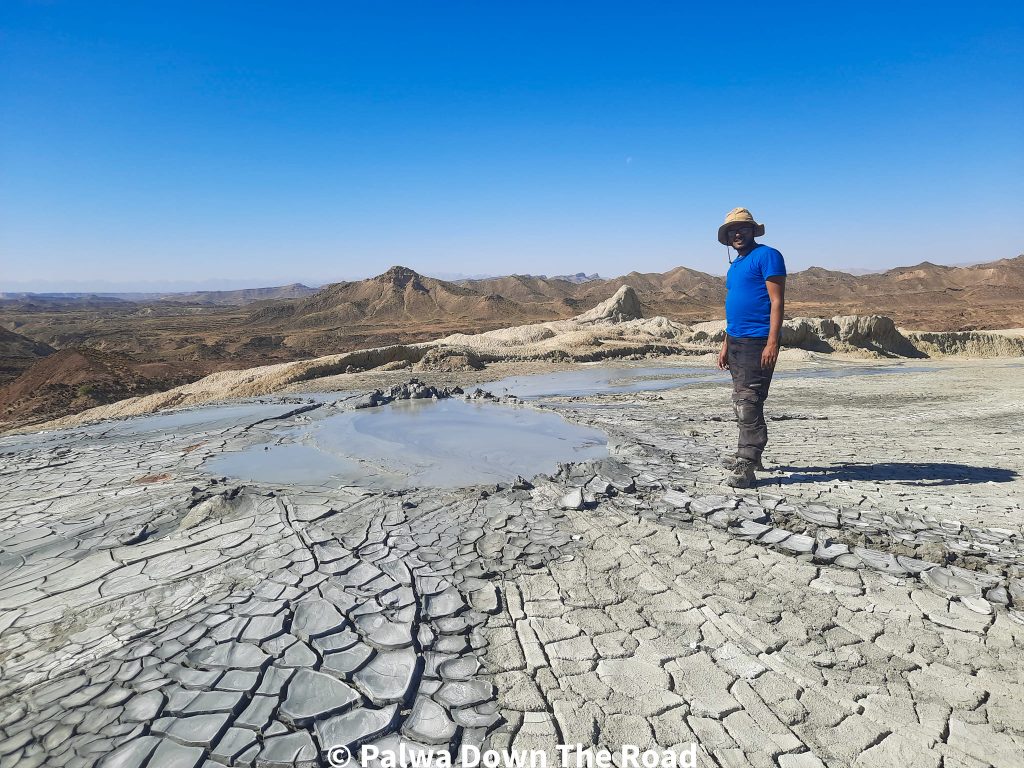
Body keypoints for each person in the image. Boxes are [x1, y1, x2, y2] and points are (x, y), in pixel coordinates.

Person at [715, 207, 786, 488]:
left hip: (757, 341)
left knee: (749, 402)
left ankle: (747, 461)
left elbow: (777, 302)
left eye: (742, 228)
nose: (737, 233)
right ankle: (749, 456)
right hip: (736, 341)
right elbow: (733, 309)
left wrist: (772, 343)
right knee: (741, 400)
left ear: (753, 230)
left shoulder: (768, 255)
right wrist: (725, 343)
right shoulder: (735, 266)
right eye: (732, 230)